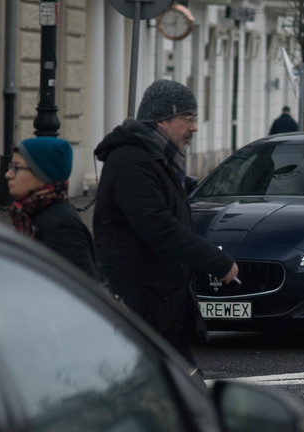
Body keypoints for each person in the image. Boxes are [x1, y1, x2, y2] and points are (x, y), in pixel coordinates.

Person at [93, 79, 239, 369]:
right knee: (170, 396)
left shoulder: (158, 159)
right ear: (161, 119)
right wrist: (216, 260)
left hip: (161, 304)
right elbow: (157, 226)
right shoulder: (132, 161)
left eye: (195, 118)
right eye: (187, 118)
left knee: (182, 395)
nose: (194, 128)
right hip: (140, 305)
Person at [5, 137, 97, 279]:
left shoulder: (61, 226)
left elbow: (82, 288)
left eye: (16, 167)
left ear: (41, 173)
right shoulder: (29, 213)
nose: (8, 174)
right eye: (10, 166)